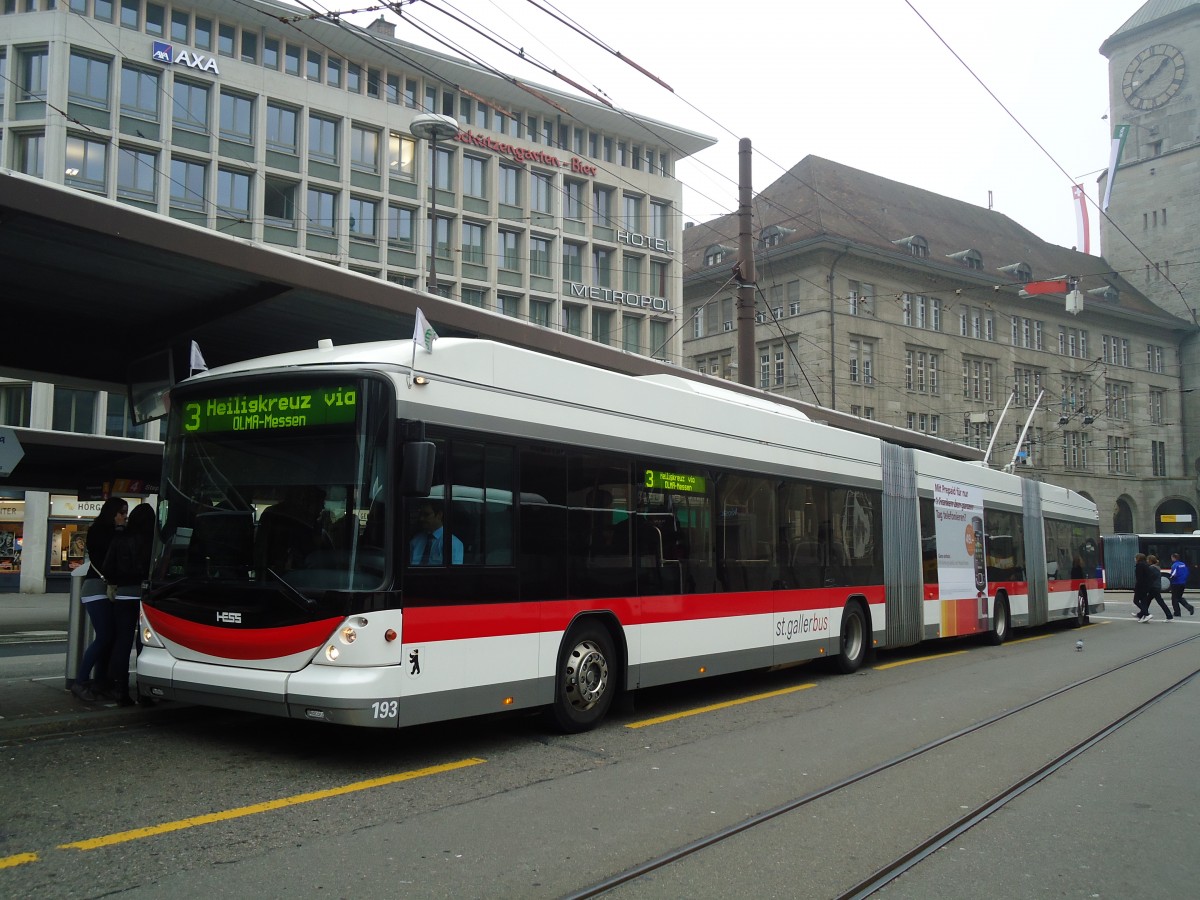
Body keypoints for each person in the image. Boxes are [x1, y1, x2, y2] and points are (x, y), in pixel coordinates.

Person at [72, 497, 127, 701]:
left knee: (110, 637)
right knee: (104, 636)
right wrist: (120, 530)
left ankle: (100, 681)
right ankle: (80, 681)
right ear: (111, 512)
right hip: (96, 587)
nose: (124, 517)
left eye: (126, 513)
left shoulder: (113, 530)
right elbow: (113, 554)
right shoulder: (99, 531)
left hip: (109, 588)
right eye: (121, 512)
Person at [102, 503, 155, 705]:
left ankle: (120, 690)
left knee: (122, 643)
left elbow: (108, 567)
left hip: (124, 595)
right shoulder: (153, 540)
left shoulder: (120, 537)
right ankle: (145, 692)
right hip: (146, 597)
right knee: (145, 645)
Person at [256, 486, 328, 573]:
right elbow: (263, 547)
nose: (322, 507)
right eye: (320, 503)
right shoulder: (282, 516)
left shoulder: (312, 522)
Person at [1142, 554, 1173, 621]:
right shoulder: (1157, 567)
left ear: (1150, 561)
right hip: (1156, 586)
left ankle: (1169, 616)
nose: (1146, 561)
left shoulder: (1151, 568)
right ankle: (1142, 614)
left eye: (1147, 559)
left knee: (1158, 602)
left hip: (1153, 587)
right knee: (1148, 601)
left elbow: (1149, 578)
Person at [1167, 552, 1195, 617]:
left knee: (1174, 598)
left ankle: (1177, 612)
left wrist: (1170, 578)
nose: (1171, 559)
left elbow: (1173, 574)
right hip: (1183, 583)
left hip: (1176, 583)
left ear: (1174, 558)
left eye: (1172, 558)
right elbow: (1187, 572)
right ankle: (1189, 607)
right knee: (1179, 597)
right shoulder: (1183, 564)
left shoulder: (1174, 565)